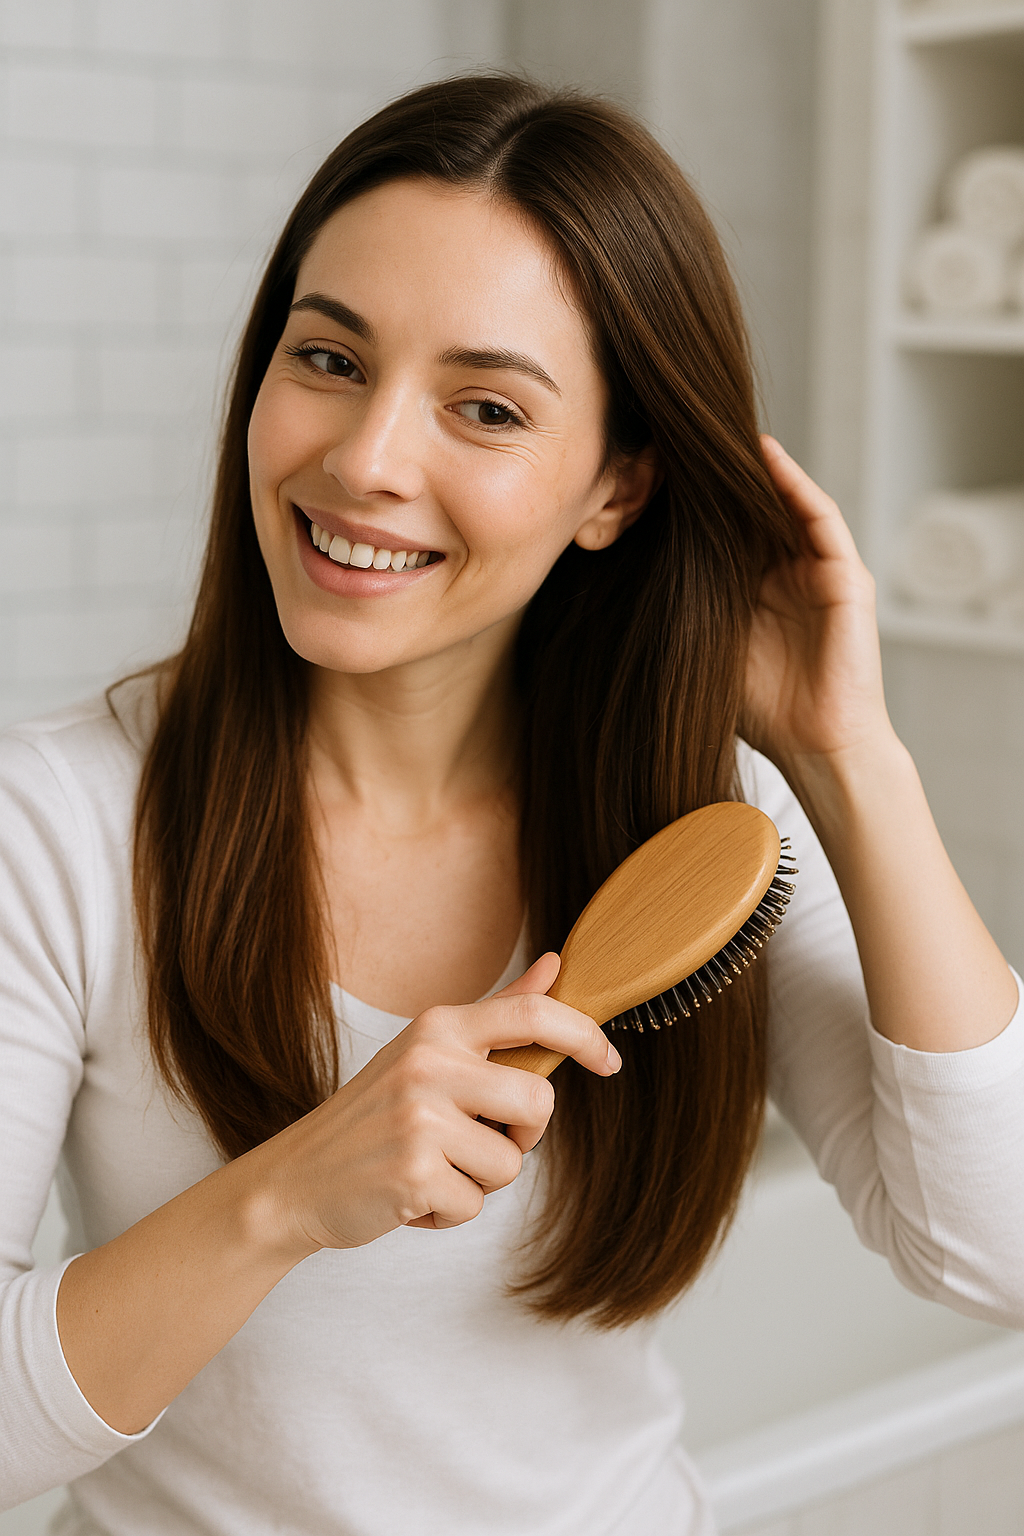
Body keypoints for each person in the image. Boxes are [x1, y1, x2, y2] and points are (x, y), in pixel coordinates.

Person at [1, 73, 1021, 1536]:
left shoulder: (701, 837)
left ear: (614, 488)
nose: (364, 462)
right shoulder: (57, 826)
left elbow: (997, 1252)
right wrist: (285, 1198)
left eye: (483, 407)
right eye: (329, 358)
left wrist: (853, 754)